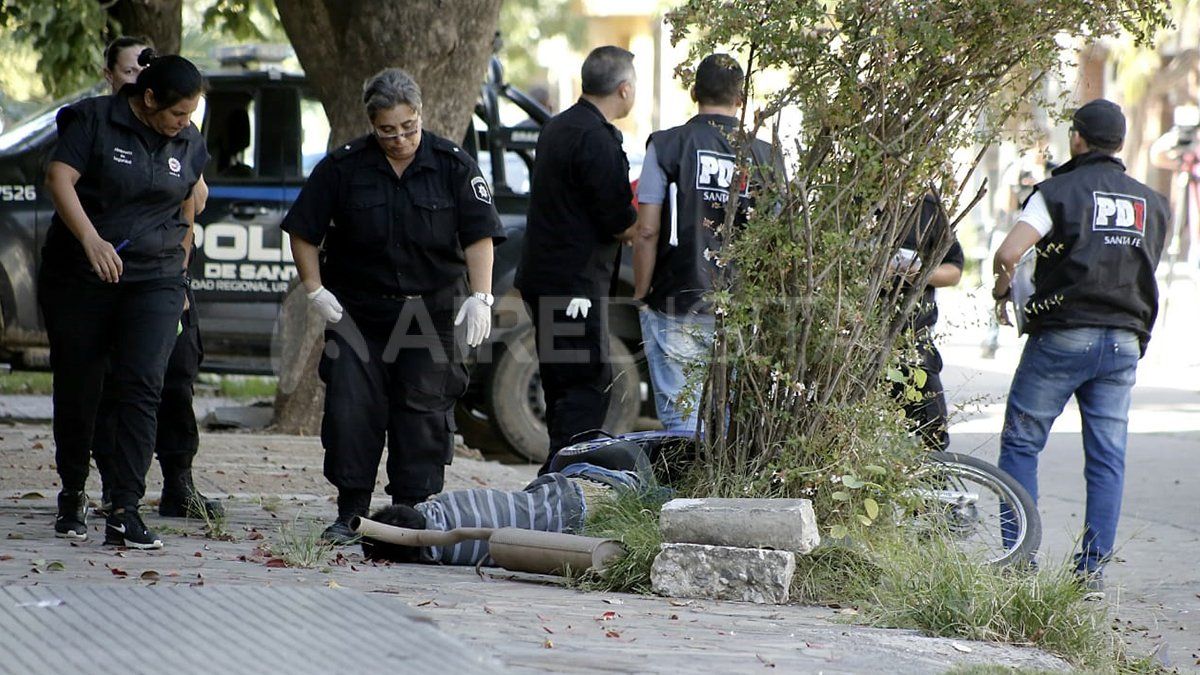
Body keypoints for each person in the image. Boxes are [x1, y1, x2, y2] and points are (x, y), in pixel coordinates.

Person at [281, 68, 505, 544]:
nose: (400, 138)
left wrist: (482, 296)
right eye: (388, 130)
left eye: (409, 127)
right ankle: (352, 513)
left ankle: (412, 515)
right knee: (349, 409)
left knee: (423, 413)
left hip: (431, 312)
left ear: (420, 115)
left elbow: (479, 234)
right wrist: (315, 290)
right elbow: (302, 231)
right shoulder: (343, 168)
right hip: (359, 313)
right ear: (371, 123)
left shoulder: (453, 164)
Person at [992, 99, 1169, 595]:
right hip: (1124, 342)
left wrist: (1002, 291)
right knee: (1108, 457)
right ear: (1120, 144)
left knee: (1023, 444)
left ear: (1077, 139)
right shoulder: (1154, 203)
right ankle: (1090, 575)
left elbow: (1009, 252)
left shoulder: (1057, 191)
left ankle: (1018, 561)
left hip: (1063, 335)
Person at [42, 53, 207, 549]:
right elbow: (58, 178)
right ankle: (73, 489)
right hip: (82, 273)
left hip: (155, 276)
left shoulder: (189, 139)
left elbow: (188, 204)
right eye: (178, 113)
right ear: (148, 98)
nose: (185, 124)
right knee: (81, 382)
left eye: (191, 114)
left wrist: (178, 270)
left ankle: (125, 508)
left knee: (143, 386)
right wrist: (92, 241)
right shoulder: (94, 120)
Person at [91, 36, 221, 521]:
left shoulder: (180, 128)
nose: (140, 77)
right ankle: (116, 487)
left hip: (168, 273)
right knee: (115, 383)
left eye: (149, 67)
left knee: (176, 376)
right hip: (110, 278)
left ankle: (178, 482)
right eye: (131, 71)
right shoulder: (100, 128)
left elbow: (195, 195)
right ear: (113, 77)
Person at [631, 53, 777, 432]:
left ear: (694, 91)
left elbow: (646, 231)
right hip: (742, 307)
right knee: (728, 418)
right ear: (740, 99)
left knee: (683, 419)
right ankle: (719, 490)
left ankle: (681, 488)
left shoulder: (666, 146)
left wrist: (641, 293)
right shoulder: (768, 156)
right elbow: (778, 238)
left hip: (676, 298)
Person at [515, 46, 638, 472]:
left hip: (545, 276)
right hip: (573, 284)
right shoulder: (596, 139)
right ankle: (567, 482)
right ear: (624, 89)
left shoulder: (558, 126)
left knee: (562, 382)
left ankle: (557, 474)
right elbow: (618, 220)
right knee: (586, 384)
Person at [888, 194, 964, 451]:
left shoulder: (928, 210)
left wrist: (913, 273)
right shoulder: (852, 203)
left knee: (932, 437)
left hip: (912, 344)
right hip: (853, 342)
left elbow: (954, 270)